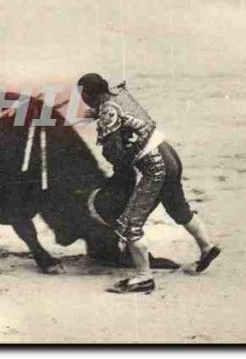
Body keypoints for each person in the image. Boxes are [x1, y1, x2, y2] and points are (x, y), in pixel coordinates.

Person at [77, 73, 221, 294]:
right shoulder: (118, 96)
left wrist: (113, 154)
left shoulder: (107, 113)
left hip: (156, 165)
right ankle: (207, 247)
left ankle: (144, 277)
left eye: (82, 95)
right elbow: (121, 115)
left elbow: (115, 154)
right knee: (176, 206)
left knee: (129, 224)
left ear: (87, 95)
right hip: (169, 154)